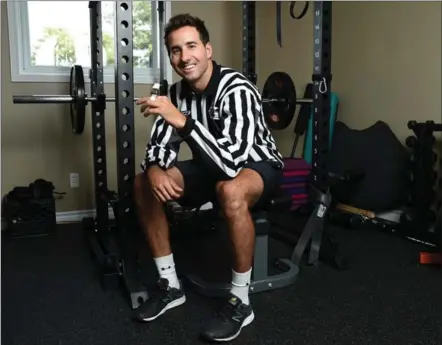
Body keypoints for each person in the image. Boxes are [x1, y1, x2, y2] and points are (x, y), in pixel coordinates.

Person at [133, 13, 284, 343]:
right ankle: (170, 284)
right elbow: (158, 148)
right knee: (142, 182)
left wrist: (183, 121)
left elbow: (232, 164)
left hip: (255, 165)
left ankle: (241, 301)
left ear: (208, 49)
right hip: (210, 164)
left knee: (228, 189)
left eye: (191, 46)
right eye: (176, 50)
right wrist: (156, 169)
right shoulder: (174, 94)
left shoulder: (237, 88)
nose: (185, 57)